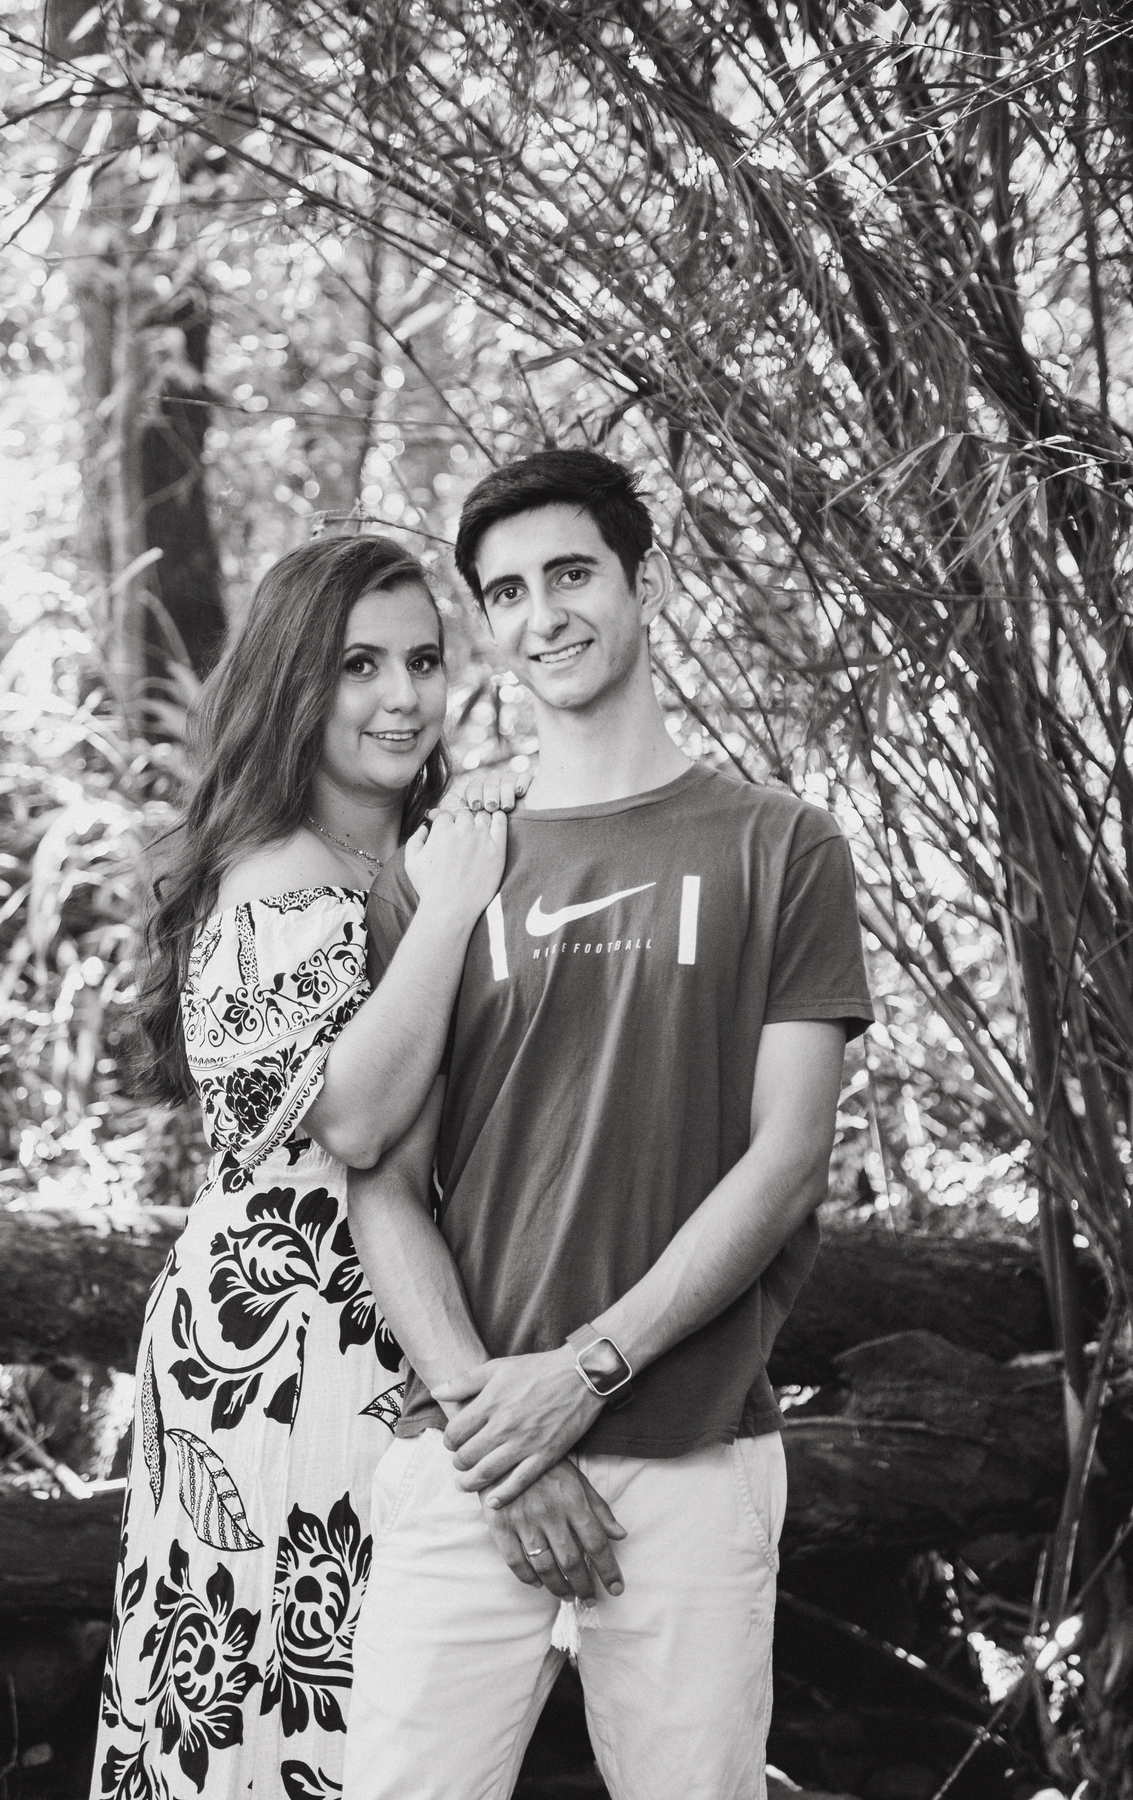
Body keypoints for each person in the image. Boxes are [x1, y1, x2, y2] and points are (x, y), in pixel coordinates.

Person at [341, 450, 874, 1800]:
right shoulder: (451, 863)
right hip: (471, 1456)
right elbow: (383, 1177)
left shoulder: (782, 846)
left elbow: (788, 1160)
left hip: (691, 1453)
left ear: (649, 580)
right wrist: (497, 1426)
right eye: (507, 592)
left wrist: (583, 1374)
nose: (544, 615)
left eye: (571, 573)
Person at [91, 533, 507, 1800]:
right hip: (279, 1345)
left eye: (422, 661)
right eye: (358, 666)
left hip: (393, 1326)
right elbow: (359, 1124)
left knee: (375, 1712)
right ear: (293, 684)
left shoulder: (410, 852)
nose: (402, 697)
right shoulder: (281, 875)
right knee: (275, 1710)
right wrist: (450, 909)